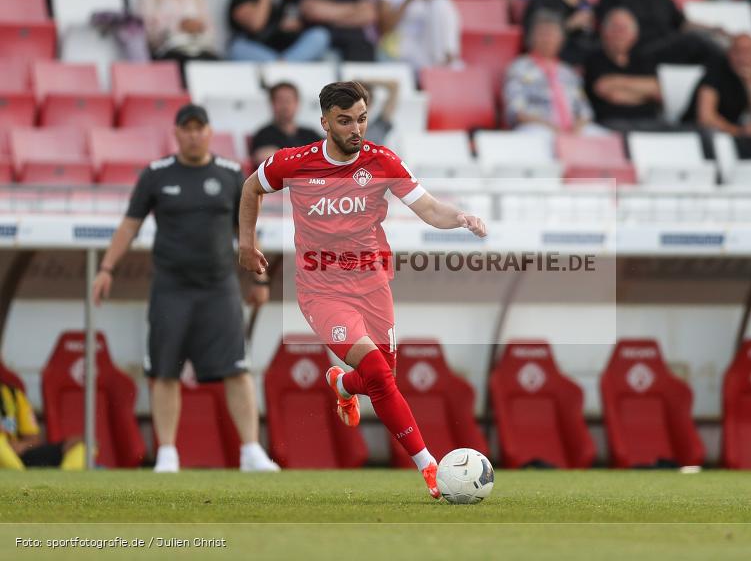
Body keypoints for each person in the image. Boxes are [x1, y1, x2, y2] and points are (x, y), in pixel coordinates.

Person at [237, 81, 487, 499]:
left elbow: (428, 208)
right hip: (321, 289)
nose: (356, 129)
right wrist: (247, 243)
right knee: (378, 373)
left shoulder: (382, 160)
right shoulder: (294, 162)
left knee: (380, 376)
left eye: (362, 119)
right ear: (325, 123)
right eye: (345, 121)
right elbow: (251, 188)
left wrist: (461, 217)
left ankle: (342, 385)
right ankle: (429, 466)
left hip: (372, 282)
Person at [92, 104, 279, 474]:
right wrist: (106, 267)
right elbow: (130, 224)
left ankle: (251, 451)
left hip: (219, 286)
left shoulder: (229, 174)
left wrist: (258, 278)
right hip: (171, 288)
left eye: (200, 128)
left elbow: (246, 230)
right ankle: (167, 453)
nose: (193, 134)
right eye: (186, 128)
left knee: (237, 368)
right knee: (164, 370)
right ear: (176, 133)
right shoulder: (156, 174)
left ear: (210, 132)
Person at [594, 0, 725, 68]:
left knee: (707, 41)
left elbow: (680, 21)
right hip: (640, 50)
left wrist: (712, 29)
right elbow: (608, 28)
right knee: (694, 42)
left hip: (671, 43)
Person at [504, 11, 595, 134]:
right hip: (536, 128)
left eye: (552, 34)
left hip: (572, 131)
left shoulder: (568, 72)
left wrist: (576, 129)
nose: (547, 38)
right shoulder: (519, 67)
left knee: (602, 138)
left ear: (561, 39)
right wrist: (551, 128)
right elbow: (516, 111)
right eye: (542, 34)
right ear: (531, 38)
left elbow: (585, 111)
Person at [229, 0, 331, 62]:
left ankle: (282, 65)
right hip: (257, 49)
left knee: (320, 36)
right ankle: (281, 67)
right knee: (238, 48)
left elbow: (297, 22)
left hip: (284, 51)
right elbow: (256, 24)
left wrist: (294, 25)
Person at [682, 33, 751, 137]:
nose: (743, 57)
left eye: (748, 52)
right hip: (701, 129)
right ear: (729, 53)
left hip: (734, 128)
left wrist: (750, 84)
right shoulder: (716, 70)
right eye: (738, 51)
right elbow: (705, 117)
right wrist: (738, 131)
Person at [584, 8, 664, 130]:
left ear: (634, 35)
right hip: (611, 124)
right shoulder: (594, 58)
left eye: (624, 29)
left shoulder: (643, 59)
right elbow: (605, 89)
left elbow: (657, 91)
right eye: (615, 28)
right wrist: (643, 94)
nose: (620, 33)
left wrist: (617, 82)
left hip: (650, 121)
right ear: (604, 32)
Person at [376, 0, 461, 71]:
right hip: (399, 42)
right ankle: (444, 66)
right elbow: (385, 28)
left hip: (430, 46)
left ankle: (449, 57)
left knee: (441, 3)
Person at [0, 365, 86, 470]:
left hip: (15, 454)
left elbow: (33, 439)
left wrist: (21, 445)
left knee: (84, 443)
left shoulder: (13, 395)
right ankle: (19, 478)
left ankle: (65, 480)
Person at [140, 0, 219, 70]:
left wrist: (198, 27)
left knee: (215, 63)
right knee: (186, 63)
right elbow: (147, 31)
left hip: (199, 48)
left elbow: (210, 27)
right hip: (168, 51)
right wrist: (179, 26)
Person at [294, 0, 376, 61]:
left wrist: (328, 16)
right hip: (324, 46)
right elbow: (313, 11)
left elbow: (369, 14)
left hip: (356, 46)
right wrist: (355, 9)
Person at [522, 0, 595, 68]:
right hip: (546, 62)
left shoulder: (586, 5)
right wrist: (570, 24)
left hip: (580, 65)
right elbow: (532, 31)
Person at [250, 82, 321, 169]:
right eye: (280, 100)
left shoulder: (311, 134)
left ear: (297, 103)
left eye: (289, 100)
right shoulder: (263, 135)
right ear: (272, 104)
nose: (285, 106)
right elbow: (268, 162)